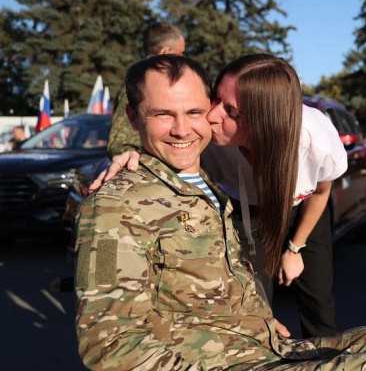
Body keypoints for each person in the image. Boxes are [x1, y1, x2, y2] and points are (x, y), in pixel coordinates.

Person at [75, 54, 366, 371]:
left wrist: (253, 313)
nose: (182, 129)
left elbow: (217, 270)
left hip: (255, 350)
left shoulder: (209, 184)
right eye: (163, 114)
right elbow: (105, 341)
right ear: (133, 117)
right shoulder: (112, 207)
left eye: (194, 111)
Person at [98, 54, 348, 339]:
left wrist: (294, 249)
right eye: (215, 99)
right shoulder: (110, 209)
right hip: (246, 212)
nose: (212, 116)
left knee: (318, 302)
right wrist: (135, 153)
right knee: (257, 302)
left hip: (302, 212)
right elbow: (163, 136)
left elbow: (321, 191)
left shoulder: (314, 139)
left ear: (264, 122)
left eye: (231, 112)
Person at [106, 22, 185, 158]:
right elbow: (120, 144)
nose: (183, 58)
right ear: (167, 52)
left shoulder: (160, 83)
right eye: (181, 53)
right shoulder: (140, 83)